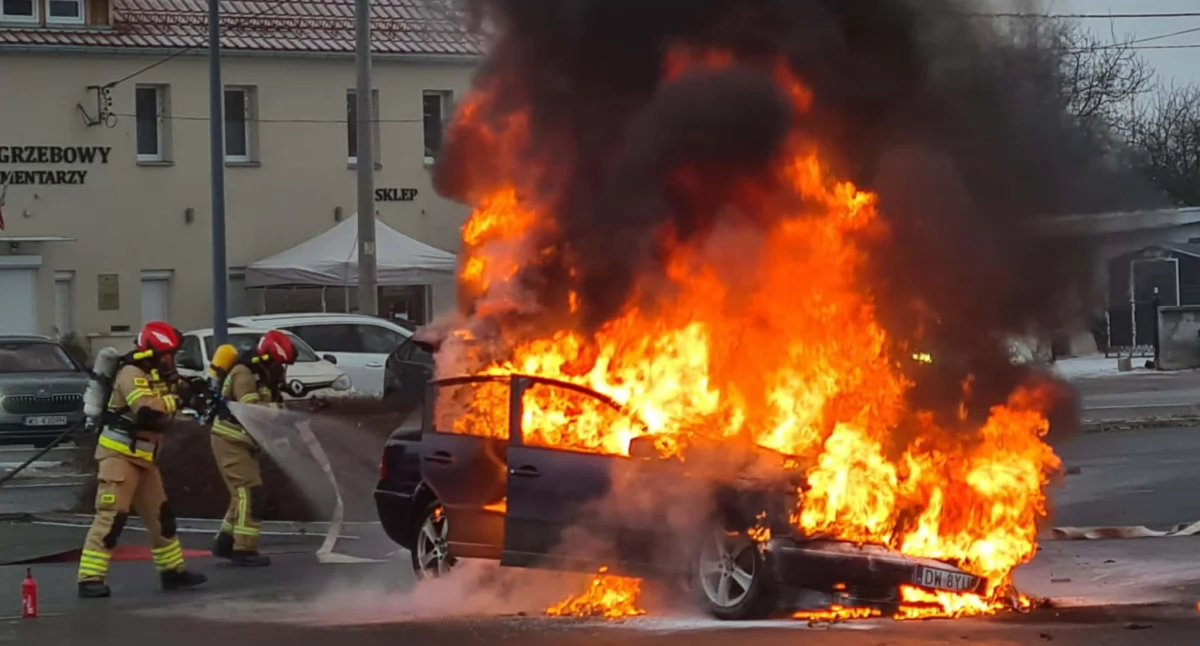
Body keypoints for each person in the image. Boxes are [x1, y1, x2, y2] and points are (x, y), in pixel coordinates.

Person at [77, 321, 208, 598]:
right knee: (112, 517)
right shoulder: (131, 373)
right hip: (119, 457)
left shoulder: (156, 375)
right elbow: (147, 413)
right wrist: (178, 400)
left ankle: (172, 572)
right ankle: (90, 578)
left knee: (162, 518)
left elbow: (172, 393)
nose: (170, 360)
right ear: (151, 353)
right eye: (166, 355)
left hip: (144, 459)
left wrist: (194, 391)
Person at [208, 330, 297, 566]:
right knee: (252, 494)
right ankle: (244, 549)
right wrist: (283, 415)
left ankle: (226, 541)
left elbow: (272, 407)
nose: (282, 370)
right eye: (279, 364)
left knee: (242, 495)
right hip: (229, 440)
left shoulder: (262, 376)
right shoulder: (244, 374)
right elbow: (253, 411)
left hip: (242, 442)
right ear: (267, 358)